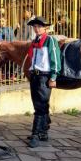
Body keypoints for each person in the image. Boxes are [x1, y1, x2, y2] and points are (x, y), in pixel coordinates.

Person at [27, 16, 61, 148]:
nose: (36, 29)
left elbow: (55, 59)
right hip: (35, 75)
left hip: (44, 77)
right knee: (39, 105)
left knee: (40, 106)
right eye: (35, 26)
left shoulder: (50, 40)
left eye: (39, 26)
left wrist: (53, 77)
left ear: (45, 28)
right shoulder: (35, 40)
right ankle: (43, 132)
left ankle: (35, 134)